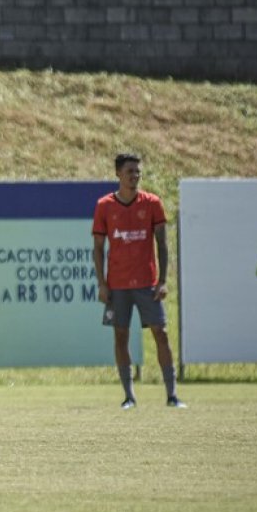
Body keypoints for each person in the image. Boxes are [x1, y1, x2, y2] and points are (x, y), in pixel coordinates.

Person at [92, 153, 185, 410]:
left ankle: (172, 395)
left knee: (161, 333)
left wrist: (163, 280)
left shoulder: (152, 203)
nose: (134, 176)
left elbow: (162, 244)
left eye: (137, 172)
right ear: (118, 174)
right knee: (120, 336)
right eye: (130, 171)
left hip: (147, 282)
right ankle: (129, 396)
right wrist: (102, 283)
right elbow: (98, 248)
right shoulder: (105, 206)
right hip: (118, 285)